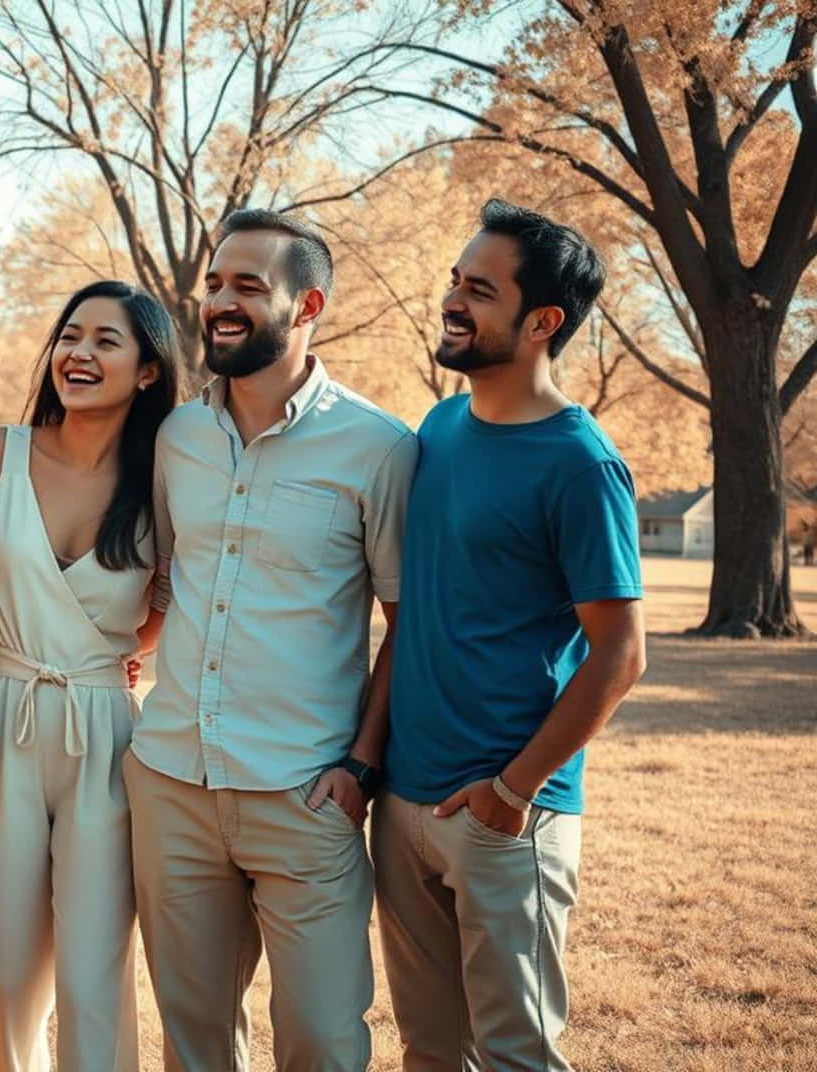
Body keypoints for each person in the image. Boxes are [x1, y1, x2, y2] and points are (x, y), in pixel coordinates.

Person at [131, 210, 416, 1071]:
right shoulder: (177, 438)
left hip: (306, 795)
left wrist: (360, 766)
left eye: (248, 287)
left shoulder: (379, 448)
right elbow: (163, 580)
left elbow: (406, 625)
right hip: (173, 783)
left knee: (325, 1043)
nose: (220, 300)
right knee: (194, 1040)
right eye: (215, 284)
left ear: (309, 303)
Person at [376, 199, 647, 1072]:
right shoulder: (438, 428)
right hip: (405, 801)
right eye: (456, 281)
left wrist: (512, 791)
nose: (452, 300)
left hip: (504, 815)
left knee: (516, 1055)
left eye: (479, 291)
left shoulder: (582, 463)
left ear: (542, 322)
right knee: (428, 1050)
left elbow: (621, 654)